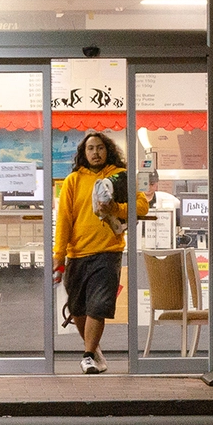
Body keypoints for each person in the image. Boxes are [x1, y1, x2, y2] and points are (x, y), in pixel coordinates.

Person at [53, 131, 148, 374]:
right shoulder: (73, 180)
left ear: (108, 151)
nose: (96, 153)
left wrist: (117, 208)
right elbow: (64, 218)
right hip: (77, 253)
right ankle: (94, 351)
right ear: (84, 154)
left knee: (98, 306)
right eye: (90, 149)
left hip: (108, 251)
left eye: (100, 148)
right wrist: (58, 255)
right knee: (78, 309)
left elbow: (142, 206)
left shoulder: (119, 177)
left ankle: (87, 356)